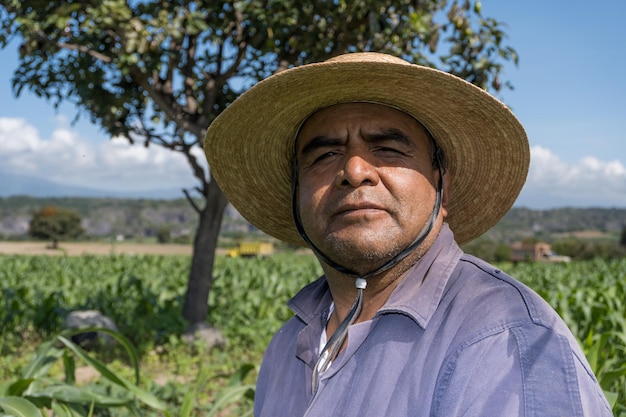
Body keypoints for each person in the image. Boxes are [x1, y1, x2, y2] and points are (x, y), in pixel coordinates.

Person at [204, 53, 612, 417]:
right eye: (325, 154)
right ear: (297, 195)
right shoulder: (288, 344)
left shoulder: (504, 341)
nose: (355, 171)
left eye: (388, 149)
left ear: (442, 187)